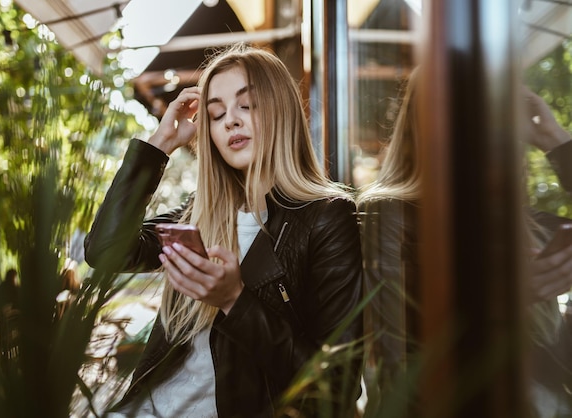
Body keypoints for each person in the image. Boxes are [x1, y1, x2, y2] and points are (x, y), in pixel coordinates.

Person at [84, 44, 364, 417]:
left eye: (246, 106)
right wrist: (160, 144)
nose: (230, 120)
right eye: (216, 114)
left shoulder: (326, 219)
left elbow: (337, 387)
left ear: (281, 110)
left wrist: (235, 300)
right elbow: (104, 251)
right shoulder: (199, 213)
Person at [357, 70, 572, 416]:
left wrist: (554, 139)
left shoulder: (524, 223)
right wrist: (501, 303)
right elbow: (401, 372)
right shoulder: (390, 214)